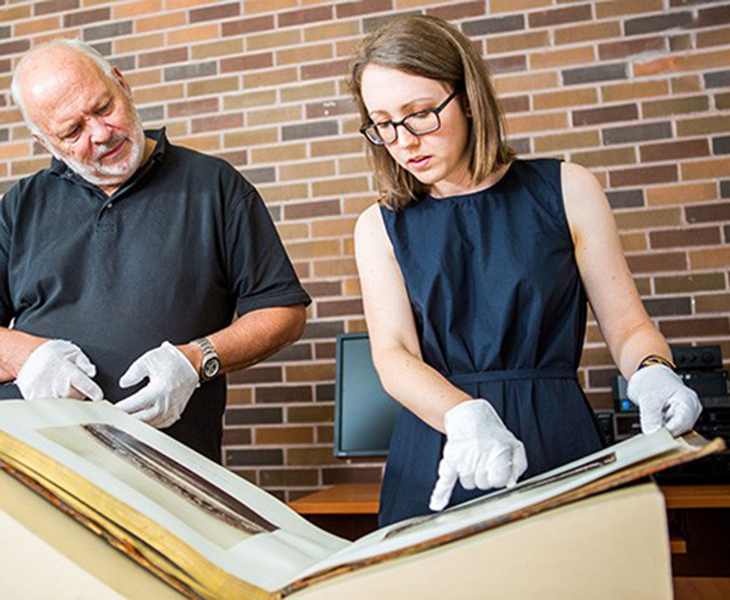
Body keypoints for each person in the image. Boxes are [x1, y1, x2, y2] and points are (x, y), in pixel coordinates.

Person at [348, 15, 702, 527]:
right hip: (445, 445)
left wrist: (652, 372)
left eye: (420, 113)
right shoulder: (379, 225)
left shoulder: (568, 189)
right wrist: (461, 415)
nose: (403, 141)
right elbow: (393, 355)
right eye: (383, 123)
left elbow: (627, 327)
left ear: (468, 99)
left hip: (557, 439)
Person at [0, 39, 311, 462]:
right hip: (33, 462)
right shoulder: (22, 205)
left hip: (169, 467)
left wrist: (196, 360)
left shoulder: (214, 187)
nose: (101, 134)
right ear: (45, 142)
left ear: (122, 84)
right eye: (73, 131)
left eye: (103, 108)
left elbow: (283, 313)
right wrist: (24, 357)